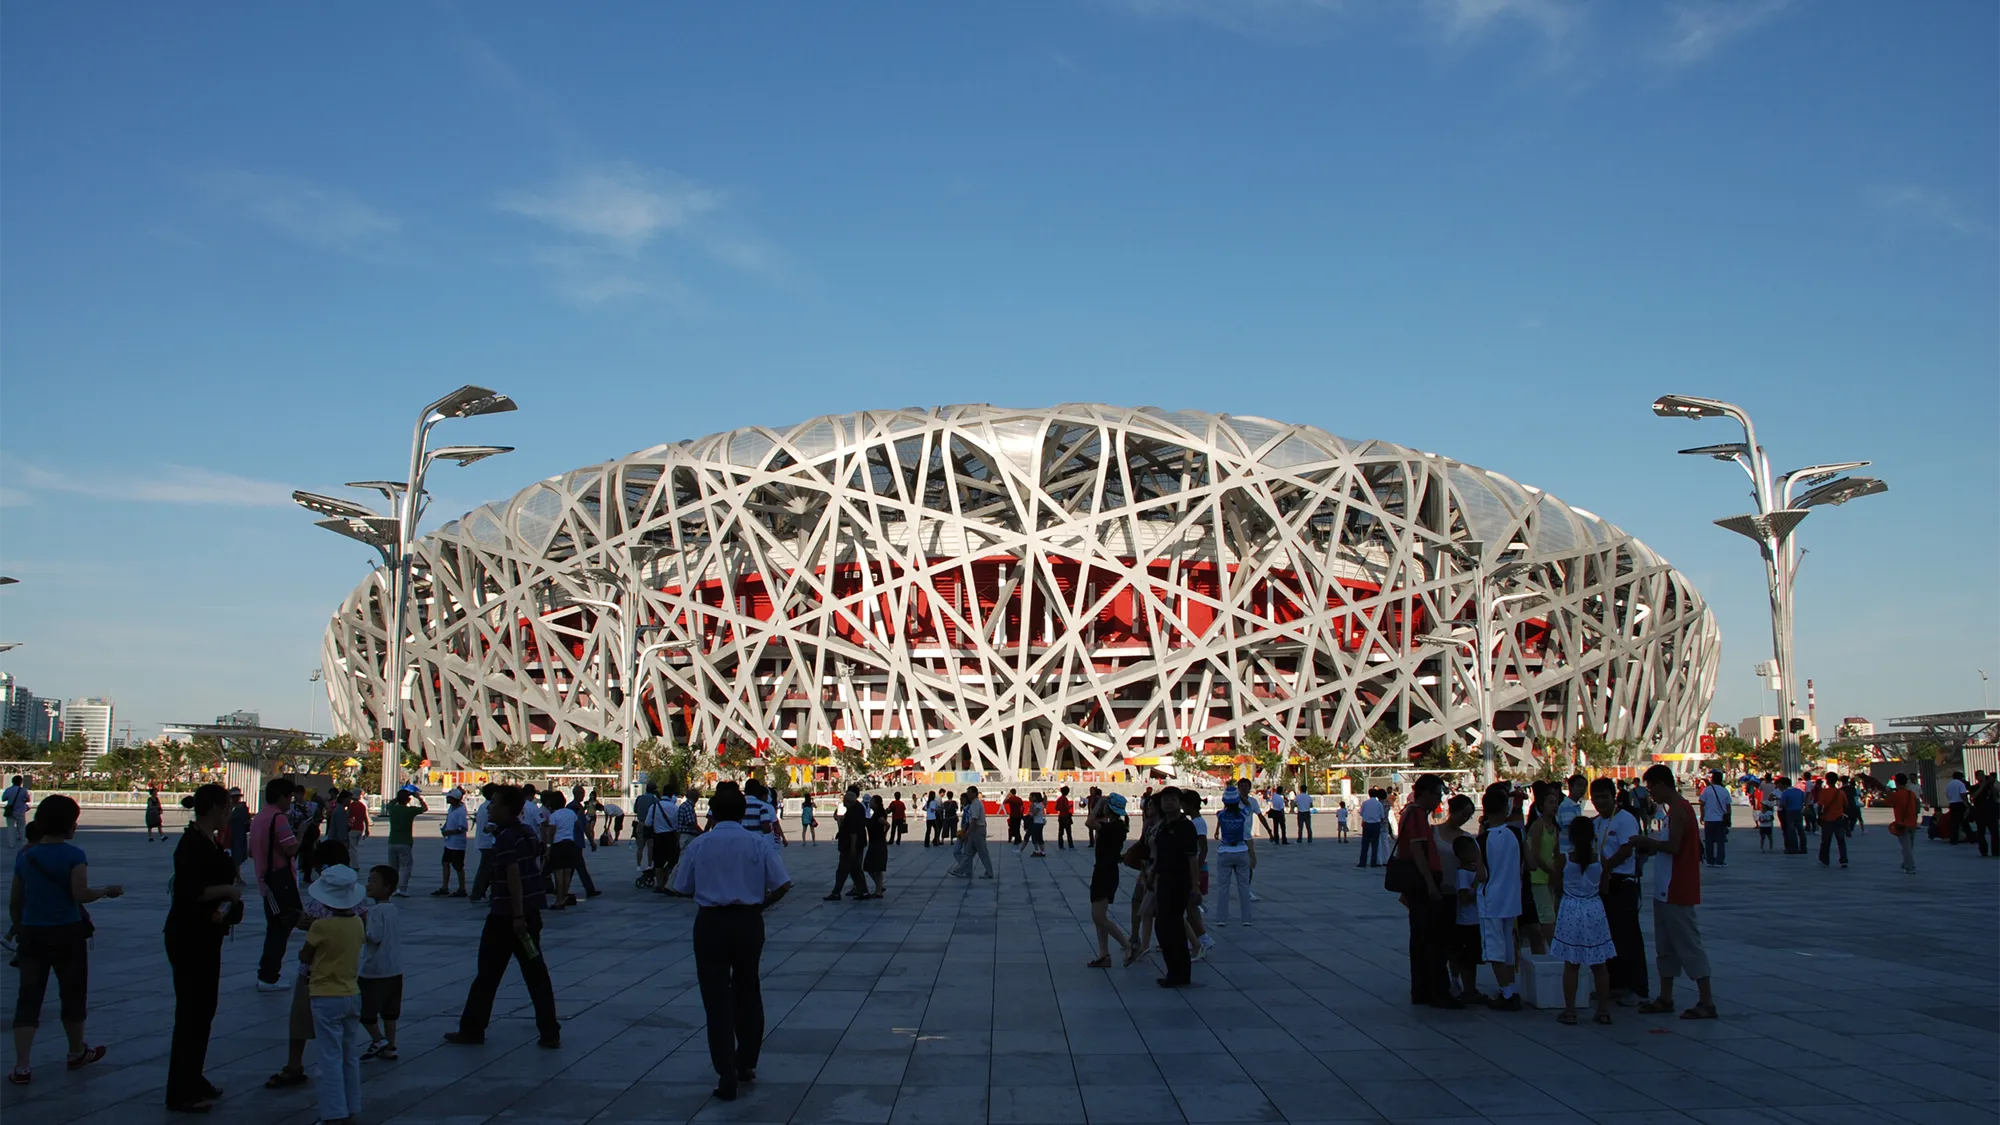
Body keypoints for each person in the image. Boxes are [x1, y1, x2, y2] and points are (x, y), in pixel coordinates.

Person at [669, 785, 792, 1101]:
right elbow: (783, 884)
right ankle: (747, 1063)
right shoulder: (756, 843)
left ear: (712, 813)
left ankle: (726, 1072)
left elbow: (681, 887)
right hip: (749, 922)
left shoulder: (700, 845)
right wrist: (759, 904)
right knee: (748, 989)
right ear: (741, 813)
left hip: (711, 923)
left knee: (716, 998)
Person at [9, 796, 123, 1086]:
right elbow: (80, 894)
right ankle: (75, 1051)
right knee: (72, 994)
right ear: (68, 824)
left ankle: (22, 1066)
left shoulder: (26, 856)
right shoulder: (73, 855)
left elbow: (15, 901)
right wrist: (106, 891)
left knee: (28, 998)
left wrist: (20, 928)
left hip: (33, 934)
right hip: (67, 933)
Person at [446, 785, 561, 1049]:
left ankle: (473, 1028)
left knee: (487, 974)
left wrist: (517, 915)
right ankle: (549, 1031)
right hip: (528, 916)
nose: (490, 808)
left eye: (495, 804)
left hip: (507, 918)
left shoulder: (508, 838)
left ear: (508, 809)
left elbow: (514, 877)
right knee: (536, 975)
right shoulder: (524, 832)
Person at [164, 784, 241, 1112]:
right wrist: (227, 889)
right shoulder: (191, 845)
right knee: (192, 1012)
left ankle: (193, 1077)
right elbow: (189, 891)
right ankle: (181, 1090)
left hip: (207, 935)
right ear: (213, 808)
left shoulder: (209, 841)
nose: (230, 813)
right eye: (227, 807)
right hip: (190, 936)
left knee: (203, 1010)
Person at [1630, 765, 1716, 1019]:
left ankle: (1706, 1000)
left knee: (1688, 943)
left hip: (1677, 888)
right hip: (1665, 888)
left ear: (1661, 784)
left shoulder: (1680, 811)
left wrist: (1647, 842)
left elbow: (1674, 847)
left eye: (1651, 788)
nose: (1650, 794)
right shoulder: (1673, 811)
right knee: (1665, 945)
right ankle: (1666, 996)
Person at [299, 864, 366, 1125]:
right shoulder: (358, 923)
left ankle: (332, 1112)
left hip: (325, 994)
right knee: (349, 1054)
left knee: (329, 1056)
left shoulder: (321, 927)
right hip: (352, 992)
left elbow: (305, 954)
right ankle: (351, 1106)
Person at [1395, 775, 1454, 1008]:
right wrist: (1431, 884)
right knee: (1432, 940)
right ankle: (1437, 991)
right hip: (1423, 883)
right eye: (1438, 793)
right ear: (1427, 793)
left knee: (1420, 940)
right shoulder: (1418, 815)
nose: (1440, 798)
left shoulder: (1409, 812)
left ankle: (1422, 990)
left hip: (1416, 884)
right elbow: (1417, 852)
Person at [1551, 815, 1615, 1025]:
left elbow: (1557, 886)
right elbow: (1605, 887)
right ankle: (1603, 1010)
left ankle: (1570, 1010)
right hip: (1594, 906)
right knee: (1599, 964)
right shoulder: (1601, 860)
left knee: (1571, 964)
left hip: (1571, 907)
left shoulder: (1564, 859)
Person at [1591, 777, 1648, 1007]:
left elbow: (1627, 849)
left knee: (1628, 936)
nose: (1600, 802)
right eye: (1596, 798)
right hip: (1603, 883)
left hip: (1622, 882)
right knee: (1608, 936)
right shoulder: (1596, 823)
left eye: (1604, 797)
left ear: (1613, 796)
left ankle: (1636, 988)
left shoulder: (1625, 819)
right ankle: (1614, 984)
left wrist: (1607, 868)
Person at [250, 778, 303, 991]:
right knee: (279, 927)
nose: (290, 801)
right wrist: (302, 833)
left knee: (279, 926)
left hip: (266, 879)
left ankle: (269, 973)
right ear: (281, 796)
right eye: (289, 797)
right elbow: (291, 849)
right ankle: (268, 975)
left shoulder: (259, 818)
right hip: (278, 881)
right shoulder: (278, 818)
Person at [1476, 785, 1524, 1010]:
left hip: (1491, 899)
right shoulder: (1515, 834)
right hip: (1512, 897)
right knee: (1508, 943)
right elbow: (1529, 863)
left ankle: (1506, 992)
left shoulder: (1483, 840)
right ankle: (1511, 988)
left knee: (1495, 947)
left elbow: (1482, 874)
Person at [1150, 787, 1198, 988]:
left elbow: (1192, 858)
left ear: (1180, 803)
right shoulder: (1163, 826)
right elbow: (1159, 854)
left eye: (1172, 799)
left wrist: (1195, 887)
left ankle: (1180, 974)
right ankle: (1173, 971)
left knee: (1173, 927)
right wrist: (1153, 874)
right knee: (1163, 927)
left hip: (1179, 881)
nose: (1168, 803)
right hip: (1164, 880)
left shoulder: (1186, 827)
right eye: (1165, 800)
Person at [359, 866, 403, 1062]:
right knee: (390, 1012)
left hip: (374, 970)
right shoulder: (393, 909)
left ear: (387, 887)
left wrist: (361, 923)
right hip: (394, 969)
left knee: (365, 1011)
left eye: (374, 881)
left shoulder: (374, 911)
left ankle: (378, 1040)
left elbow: (374, 937)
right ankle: (391, 1045)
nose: (368, 884)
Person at [1086, 794, 1132, 967]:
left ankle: (1126, 945)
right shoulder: (1117, 826)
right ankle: (1104, 955)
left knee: (1099, 917)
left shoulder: (1113, 827)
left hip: (1104, 873)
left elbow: (1089, 822)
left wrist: (1098, 805)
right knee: (1099, 916)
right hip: (1107, 871)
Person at [1524, 781, 1563, 956]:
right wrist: (1552, 872)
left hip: (1548, 876)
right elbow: (1536, 854)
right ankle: (1553, 950)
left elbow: (1556, 854)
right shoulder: (1538, 825)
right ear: (1541, 806)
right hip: (1538, 876)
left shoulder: (1554, 828)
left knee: (1550, 913)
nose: (1554, 806)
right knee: (1547, 915)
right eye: (1550, 802)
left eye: (1556, 802)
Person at [1211, 786, 1255, 926]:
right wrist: (1240, 795)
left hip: (1224, 851)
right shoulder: (1243, 814)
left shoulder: (1221, 814)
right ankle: (1246, 919)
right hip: (1241, 850)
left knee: (1223, 887)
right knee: (1243, 886)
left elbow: (1222, 810)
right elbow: (1249, 804)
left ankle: (1221, 919)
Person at [827, 786, 871, 900]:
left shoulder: (852, 812)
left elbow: (853, 832)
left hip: (850, 846)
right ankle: (863, 891)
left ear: (848, 801)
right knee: (855, 870)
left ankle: (836, 892)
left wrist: (852, 849)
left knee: (843, 869)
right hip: (858, 844)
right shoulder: (859, 808)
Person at [382, 788, 428, 898]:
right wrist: (418, 797)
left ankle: (392, 888)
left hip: (392, 841)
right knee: (405, 867)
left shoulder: (393, 809)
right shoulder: (410, 810)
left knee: (393, 867)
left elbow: (390, 803)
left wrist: (398, 797)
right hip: (405, 841)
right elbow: (424, 808)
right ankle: (402, 888)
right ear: (408, 800)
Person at [542, 791, 580, 909]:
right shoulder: (571, 813)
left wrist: (548, 848)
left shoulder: (554, 816)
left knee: (559, 875)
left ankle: (559, 900)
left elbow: (551, 833)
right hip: (570, 844)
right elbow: (577, 826)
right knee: (567, 874)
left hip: (558, 845)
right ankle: (564, 897)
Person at [947, 787, 993, 878]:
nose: (967, 794)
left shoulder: (976, 804)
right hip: (975, 830)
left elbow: (974, 820)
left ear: (974, 793)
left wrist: (967, 833)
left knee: (982, 852)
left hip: (977, 830)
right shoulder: (974, 804)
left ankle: (989, 872)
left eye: (969, 792)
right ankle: (959, 870)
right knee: (968, 853)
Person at [433, 787, 470, 897]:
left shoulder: (460, 811)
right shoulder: (451, 808)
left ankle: (462, 888)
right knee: (445, 863)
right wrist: (445, 828)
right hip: (449, 843)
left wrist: (449, 832)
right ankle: (445, 887)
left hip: (457, 844)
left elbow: (463, 828)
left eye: (449, 797)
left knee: (458, 866)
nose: (447, 799)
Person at [470, 783, 499, 902]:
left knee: (488, 869)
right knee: (485, 870)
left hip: (483, 842)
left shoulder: (483, 806)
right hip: (488, 843)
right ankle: (477, 894)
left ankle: (480, 892)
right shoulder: (490, 807)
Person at [1816, 773, 1850, 868]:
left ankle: (1824, 859)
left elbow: (1820, 805)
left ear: (1827, 780)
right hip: (1839, 818)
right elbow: (1845, 805)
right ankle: (1843, 860)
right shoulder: (1840, 792)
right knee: (1841, 840)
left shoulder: (1824, 792)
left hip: (1827, 819)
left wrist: (1819, 815)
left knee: (1825, 841)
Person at [1888, 774, 1921, 874]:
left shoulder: (1896, 795)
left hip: (1902, 823)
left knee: (1906, 846)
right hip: (1912, 822)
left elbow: (1888, 802)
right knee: (1909, 845)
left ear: (1896, 783)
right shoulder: (1911, 794)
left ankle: (1910, 866)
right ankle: (1905, 862)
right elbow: (1917, 807)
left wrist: (1888, 792)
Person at [1698, 769, 1731, 867]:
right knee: (1721, 842)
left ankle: (1710, 860)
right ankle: (1719, 860)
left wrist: (1702, 816)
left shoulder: (1707, 790)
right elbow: (1728, 806)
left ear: (1712, 779)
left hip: (1709, 819)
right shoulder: (1724, 790)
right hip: (1720, 820)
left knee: (1709, 841)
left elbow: (1702, 803)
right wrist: (1728, 818)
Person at [863, 795, 889, 897]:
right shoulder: (876, 814)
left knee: (874, 867)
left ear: (876, 803)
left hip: (877, 842)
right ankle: (879, 887)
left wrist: (884, 834)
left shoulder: (879, 815)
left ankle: (878, 890)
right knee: (874, 868)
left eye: (871, 801)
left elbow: (887, 824)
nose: (870, 803)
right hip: (876, 842)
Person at [1357, 788, 1386, 867]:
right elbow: (1382, 816)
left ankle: (1362, 862)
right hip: (1376, 824)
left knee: (1365, 844)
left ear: (1369, 794)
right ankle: (1373, 862)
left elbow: (1361, 813)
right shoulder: (1379, 804)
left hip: (1367, 824)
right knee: (1375, 845)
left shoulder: (1365, 803)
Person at [1777, 776, 1807, 853]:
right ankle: (1803, 848)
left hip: (1789, 812)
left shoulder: (1785, 793)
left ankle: (1793, 848)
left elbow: (1782, 804)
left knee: (1791, 831)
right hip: (1799, 812)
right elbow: (1803, 801)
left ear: (1784, 785)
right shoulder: (1799, 791)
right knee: (1801, 830)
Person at [2, 777, 28, 849]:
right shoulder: (23, 790)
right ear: (20, 782)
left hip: (10, 811)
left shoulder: (8, 790)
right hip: (20, 811)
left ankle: (11, 844)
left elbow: (4, 798)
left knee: (10, 827)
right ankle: (24, 843)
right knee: (22, 827)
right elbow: (27, 799)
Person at [1944, 771, 1970, 844]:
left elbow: (1947, 794)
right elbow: (1962, 794)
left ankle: (1953, 839)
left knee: (1954, 822)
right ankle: (1971, 837)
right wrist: (1967, 803)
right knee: (1964, 821)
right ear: (1960, 777)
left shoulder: (1949, 784)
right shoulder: (1961, 784)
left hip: (1952, 803)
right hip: (1960, 803)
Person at [1022, 792, 1047, 858]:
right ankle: (1037, 851)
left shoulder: (1038, 805)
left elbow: (1034, 813)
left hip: (1037, 823)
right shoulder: (1037, 804)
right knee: (1035, 837)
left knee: (1039, 838)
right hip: (1037, 822)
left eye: (1031, 797)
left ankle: (1042, 852)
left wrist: (1031, 807)